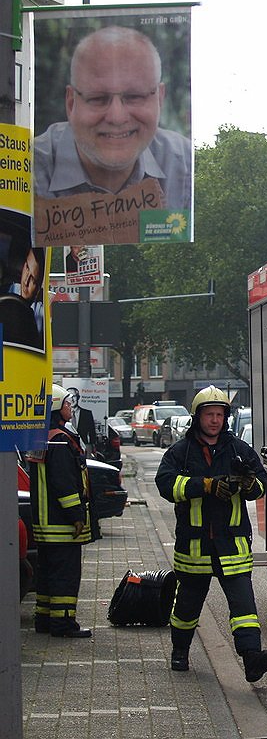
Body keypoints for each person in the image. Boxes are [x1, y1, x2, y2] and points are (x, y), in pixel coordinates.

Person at [155, 386, 267, 682]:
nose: (215, 420)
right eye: (209, 414)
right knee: (187, 606)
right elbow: (166, 485)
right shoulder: (180, 452)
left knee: (244, 607)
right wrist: (204, 485)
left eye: (219, 414)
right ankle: (180, 652)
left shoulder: (238, 450)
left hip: (231, 545)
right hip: (195, 545)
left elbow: (262, 484)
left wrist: (249, 485)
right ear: (197, 418)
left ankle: (251, 659)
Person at [33, 25, 192, 211]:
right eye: (98, 99)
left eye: (134, 96)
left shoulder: (186, 165)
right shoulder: (27, 169)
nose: (116, 117)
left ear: (159, 98)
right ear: (71, 103)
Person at [26, 384, 96, 638]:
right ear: (55, 407)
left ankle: (44, 619)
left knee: (46, 574)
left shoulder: (41, 438)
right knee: (65, 576)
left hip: (45, 525)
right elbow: (64, 484)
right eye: (67, 404)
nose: (70, 408)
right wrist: (77, 516)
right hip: (61, 525)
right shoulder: (59, 441)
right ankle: (63, 623)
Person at [6, 246, 44, 336]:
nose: (26, 281)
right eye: (27, 268)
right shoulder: (5, 290)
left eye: (33, 280)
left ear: (38, 289)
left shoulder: (41, 314)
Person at [65, 386, 98, 454]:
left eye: (74, 396)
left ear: (78, 397)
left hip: (84, 447)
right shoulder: (63, 414)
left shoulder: (87, 414)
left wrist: (93, 446)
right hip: (68, 446)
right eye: (69, 397)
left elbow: (92, 431)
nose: (72, 400)